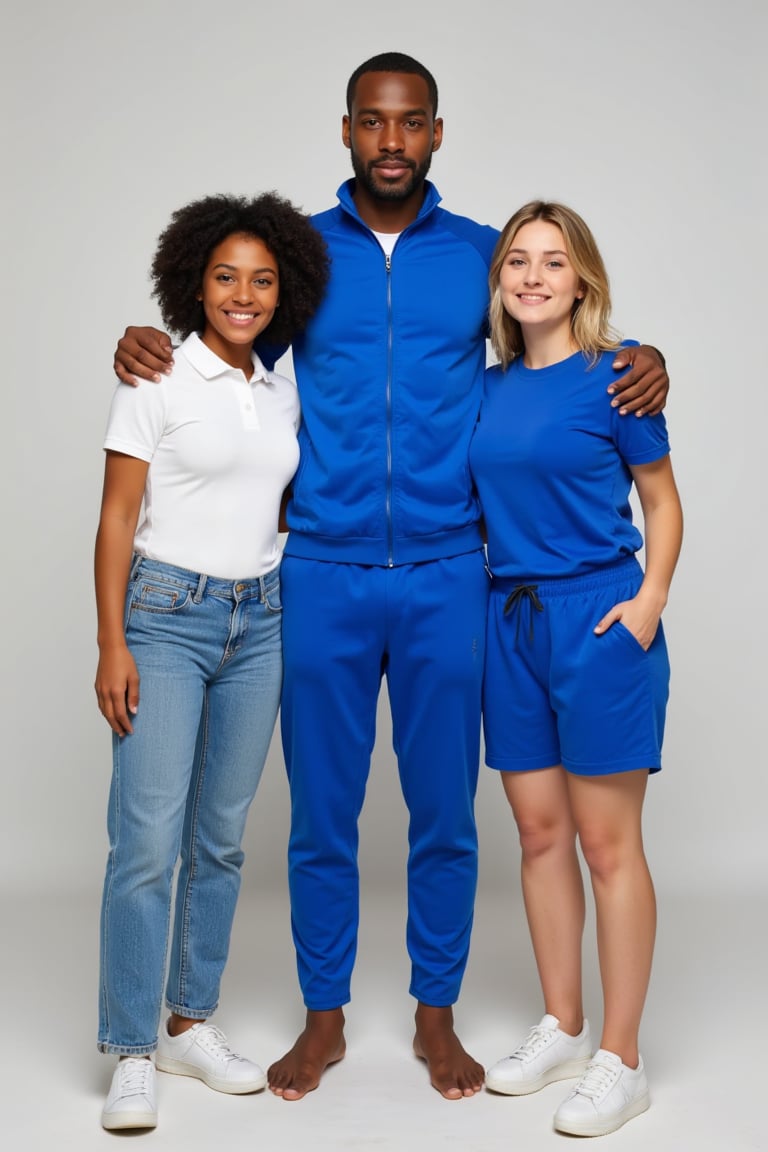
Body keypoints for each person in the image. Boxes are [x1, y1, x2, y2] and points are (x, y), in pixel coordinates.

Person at [111, 54, 671, 1101]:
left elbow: (556, 348)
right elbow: (224, 336)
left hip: (452, 574)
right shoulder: (300, 256)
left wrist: (648, 360)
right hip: (318, 572)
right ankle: (323, 1019)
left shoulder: (479, 257)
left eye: (410, 124)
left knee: (444, 813)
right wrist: (149, 336)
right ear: (346, 132)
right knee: (321, 814)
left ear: (438, 135)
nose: (392, 142)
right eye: (373, 123)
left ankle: (436, 1015)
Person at [94, 193, 328, 1130]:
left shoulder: (281, 386)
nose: (244, 294)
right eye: (226, 277)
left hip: (261, 623)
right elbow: (117, 518)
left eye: (263, 280)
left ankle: (191, 1023)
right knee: (147, 842)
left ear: (286, 292)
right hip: (163, 618)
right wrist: (112, 639)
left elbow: (275, 503)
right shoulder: (154, 377)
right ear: (195, 282)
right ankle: (130, 1049)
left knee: (222, 837)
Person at [470, 201, 682, 1135]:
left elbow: (662, 503)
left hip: (596, 623)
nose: (532, 276)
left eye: (553, 262)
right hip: (507, 622)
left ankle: (621, 1057)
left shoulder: (620, 378)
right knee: (540, 835)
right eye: (518, 260)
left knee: (607, 846)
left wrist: (648, 606)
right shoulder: (487, 386)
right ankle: (563, 1021)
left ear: (581, 280)